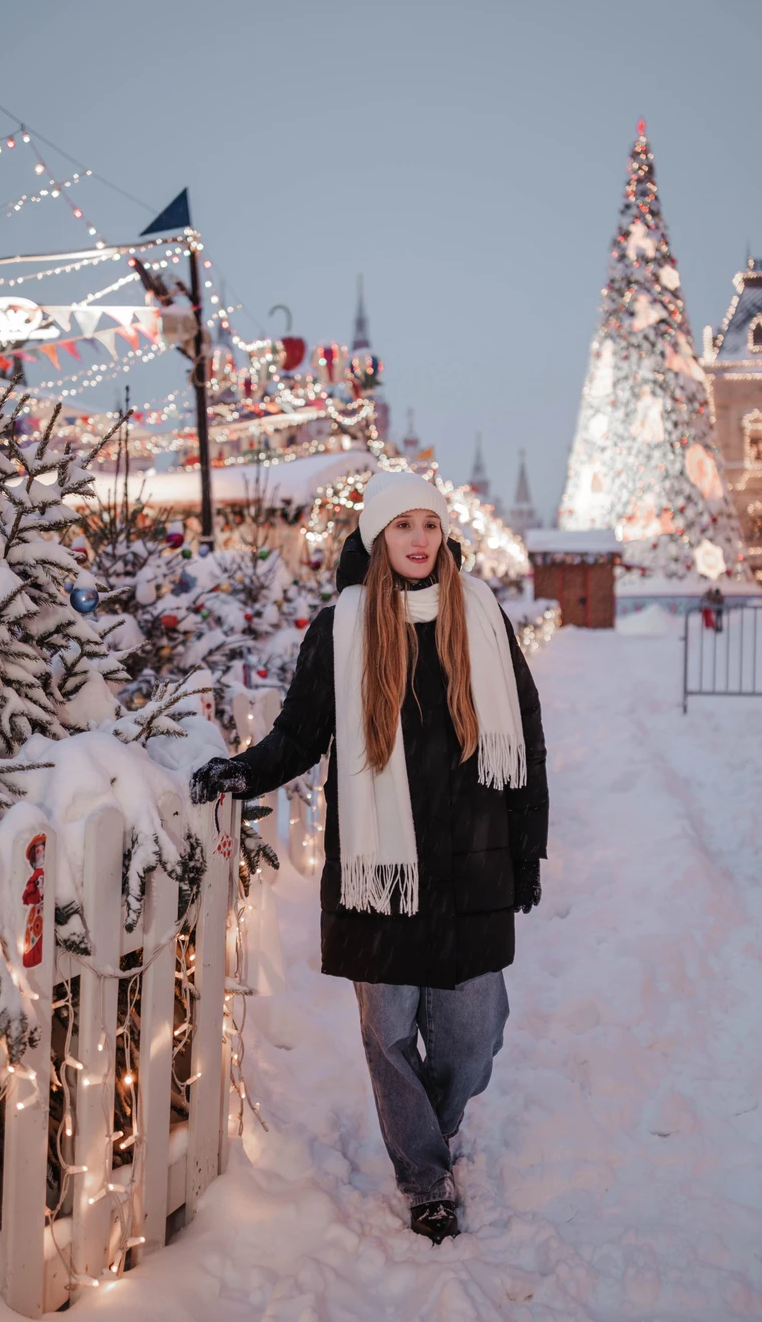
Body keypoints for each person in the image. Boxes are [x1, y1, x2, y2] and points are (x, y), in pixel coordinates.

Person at [191, 472, 549, 1243]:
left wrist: (527, 851)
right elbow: (301, 733)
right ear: (377, 539)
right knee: (387, 1036)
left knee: (472, 1034)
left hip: (471, 864)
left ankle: (441, 1125)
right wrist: (244, 770)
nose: (418, 539)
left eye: (429, 524)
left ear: (444, 534)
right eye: (402, 526)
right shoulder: (341, 628)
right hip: (379, 875)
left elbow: (527, 743)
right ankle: (423, 1174)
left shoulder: (482, 617)